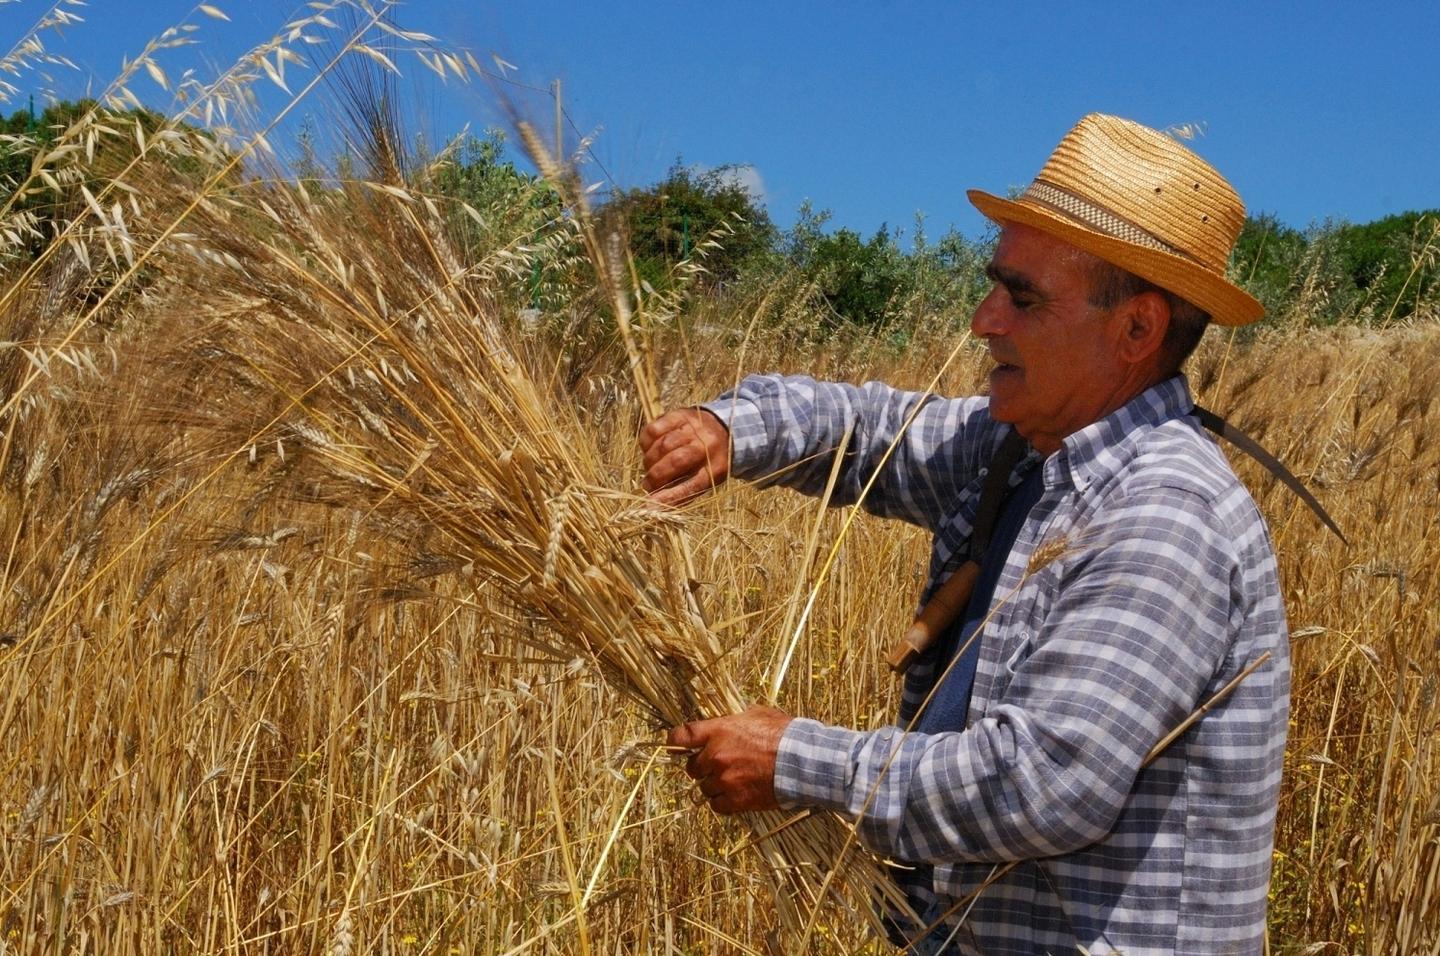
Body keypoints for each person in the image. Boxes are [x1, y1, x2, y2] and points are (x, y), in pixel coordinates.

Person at [642, 114, 1289, 954]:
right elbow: (869, 432)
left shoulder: (1164, 514)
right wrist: (728, 430)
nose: (984, 320)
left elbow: (1043, 784)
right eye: (995, 286)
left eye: (1022, 297)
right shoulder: (1019, 453)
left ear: (1136, 330)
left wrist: (796, 760)